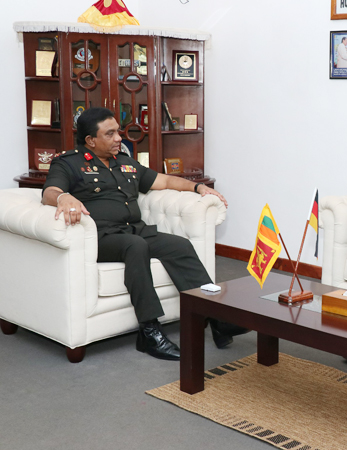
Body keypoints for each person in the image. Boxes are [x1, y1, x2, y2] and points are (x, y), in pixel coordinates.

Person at [42, 107, 247, 361]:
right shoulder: (68, 163)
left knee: (180, 245)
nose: (119, 138)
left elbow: (165, 181)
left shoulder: (124, 162)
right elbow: (49, 192)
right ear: (90, 140)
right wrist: (63, 197)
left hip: (133, 229)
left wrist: (198, 187)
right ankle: (149, 332)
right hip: (100, 237)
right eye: (110, 134)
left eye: (118, 131)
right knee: (135, 246)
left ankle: (217, 319)